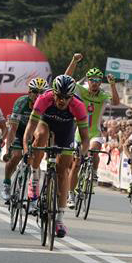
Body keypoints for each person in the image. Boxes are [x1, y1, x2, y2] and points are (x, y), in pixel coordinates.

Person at [23, 75, 90, 238]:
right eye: (59, 96)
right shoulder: (44, 99)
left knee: (63, 171)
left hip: (66, 129)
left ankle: (59, 219)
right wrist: (26, 148)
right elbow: (30, 128)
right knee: (41, 135)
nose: (62, 100)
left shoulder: (78, 106)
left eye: (66, 97)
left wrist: (83, 153)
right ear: (53, 93)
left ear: (71, 96)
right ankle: (35, 178)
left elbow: (85, 138)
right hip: (45, 122)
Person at [65, 54, 120, 206]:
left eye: (97, 81)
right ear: (88, 81)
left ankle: (94, 173)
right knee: (76, 165)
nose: (94, 83)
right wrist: (74, 61)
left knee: (95, 150)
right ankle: (70, 195)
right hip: (79, 133)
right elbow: (66, 78)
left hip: (95, 132)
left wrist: (113, 85)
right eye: (92, 80)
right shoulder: (81, 91)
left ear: (100, 82)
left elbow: (116, 102)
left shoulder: (103, 95)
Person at [0, 78, 48, 201]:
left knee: (32, 161)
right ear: (29, 92)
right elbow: (13, 129)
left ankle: (23, 184)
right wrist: (8, 149)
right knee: (16, 156)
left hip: (35, 134)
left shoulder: (46, 105)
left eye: (41, 92)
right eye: (35, 91)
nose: (38, 95)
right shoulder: (21, 103)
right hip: (20, 132)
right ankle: (6, 183)